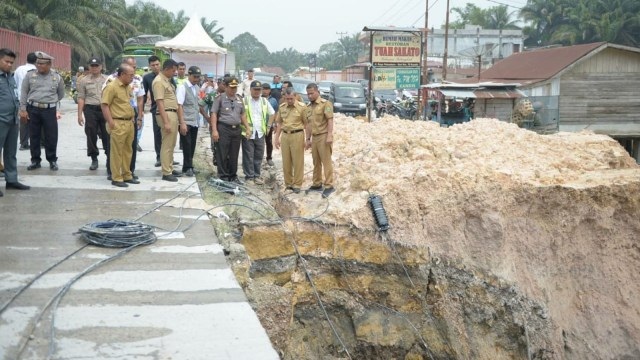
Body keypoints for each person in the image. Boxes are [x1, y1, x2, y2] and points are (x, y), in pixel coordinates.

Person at [19, 51, 65, 171]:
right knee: (34, 136)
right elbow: (24, 93)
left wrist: (50, 102)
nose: (39, 66)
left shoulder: (57, 77)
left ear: (49, 64)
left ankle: (52, 160)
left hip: (49, 110)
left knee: (51, 136)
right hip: (33, 109)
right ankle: (35, 160)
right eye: (38, 63)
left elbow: (60, 94)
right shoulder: (30, 75)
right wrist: (23, 109)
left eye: (42, 63)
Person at [103, 57, 144, 179]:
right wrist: (110, 122)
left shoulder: (128, 86)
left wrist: (136, 118)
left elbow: (134, 102)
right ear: (122, 74)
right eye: (131, 75)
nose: (133, 77)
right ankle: (116, 177)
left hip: (129, 122)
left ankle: (127, 174)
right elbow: (104, 105)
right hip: (117, 122)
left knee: (128, 151)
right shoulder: (111, 86)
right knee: (116, 152)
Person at [0, 48, 30, 196]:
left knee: (11, 152)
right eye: (6, 62)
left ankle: (11, 180)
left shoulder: (10, 76)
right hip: (0, 120)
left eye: (12, 62)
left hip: (12, 120)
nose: (9, 65)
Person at [210, 76, 251, 183]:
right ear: (226, 87)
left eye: (235, 87)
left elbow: (242, 115)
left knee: (234, 154)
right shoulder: (220, 98)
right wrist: (214, 130)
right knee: (222, 153)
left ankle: (233, 175)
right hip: (223, 128)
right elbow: (213, 114)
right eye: (231, 87)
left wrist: (247, 128)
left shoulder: (239, 99)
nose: (233, 90)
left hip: (236, 130)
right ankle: (223, 176)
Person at [77, 57, 109, 173]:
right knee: (91, 133)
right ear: (89, 67)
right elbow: (81, 97)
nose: (94, 68)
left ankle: (109, 157)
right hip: (90, 109)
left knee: (107, 134)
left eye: (97, 66)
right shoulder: (83, 80)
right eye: (92, 66)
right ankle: (94, 158)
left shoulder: (108, 80)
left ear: (101, 67)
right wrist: (79, 114)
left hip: (104, 109)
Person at [273, 87, 308, 193]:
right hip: (285, 135)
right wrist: (276, 138)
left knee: (297, 161)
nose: (289, 101)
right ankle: (288, 183)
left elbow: (307, 124)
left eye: (291, 99)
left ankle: (297, 184)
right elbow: (279, 123)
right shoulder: (282, 107)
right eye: (287, 99)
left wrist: (308, 139)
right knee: (286, 161)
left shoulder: (302, 107)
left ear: (295, 96)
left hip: (297, 134)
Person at [153, 59, 182, 182]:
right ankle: (166, 172)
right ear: (167, 69)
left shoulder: (167, 81)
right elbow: (159, 102)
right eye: (173, 70)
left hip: (172, 113)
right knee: (167, 144)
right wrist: (166, 121)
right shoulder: (159, 81)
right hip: (166, 114)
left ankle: (169, 167)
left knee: (171, 143)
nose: (174, 73)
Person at [305, 83, 335, 198]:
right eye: (308, 94)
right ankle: (317, 183)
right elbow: (308, 125)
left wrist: (329, 135)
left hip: (323, 136)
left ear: (317, 92)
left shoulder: (325, 104)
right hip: (314, 137)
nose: (310, 96)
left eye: (312, 93)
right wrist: (307, 139)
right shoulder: (308, 107)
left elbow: (330, 120)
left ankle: (329, 185)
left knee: (326, 161)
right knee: (315, 161)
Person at [242, 80, 274, 184]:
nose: (257, 92)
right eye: (255, 89)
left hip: (260, 132)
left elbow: (272, 113)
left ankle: (256, 175)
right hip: (248, 133)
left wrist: (269, 126)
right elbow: (240, 115)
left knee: (258, 155)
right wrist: (246, 127)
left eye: (259, 90)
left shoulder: (264, 101)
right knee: (248, 154)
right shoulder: (244, 101)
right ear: (250, 90)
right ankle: (249, 176)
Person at [177, 66, 204, 177]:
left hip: (195, 121)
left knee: (192, 145)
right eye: (194, 76)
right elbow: (179, 105)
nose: (196, 79)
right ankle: (187, 167)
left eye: (198, 77)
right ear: (189, 75)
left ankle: (189, 166)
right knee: (186, 145)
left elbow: (199, 104)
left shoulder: (197, 88)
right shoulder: (182, 87)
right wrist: (182, 122)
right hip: (186, 121)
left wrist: (206, 117)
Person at [142, 55, 162, 167]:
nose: (155, 67)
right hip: (156, 109)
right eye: (153, 65)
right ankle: (159, 156)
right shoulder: (147, 78)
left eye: (157, 64)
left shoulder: (167, 75)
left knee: (169, 135)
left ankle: (168, 157)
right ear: (150, 66)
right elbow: (143, 95)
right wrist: (141, 111)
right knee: (158, 134)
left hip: (168, 109)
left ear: (160, 64)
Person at [14, 52, 36, 151]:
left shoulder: (19, 69)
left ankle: (23, 144)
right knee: (36, 122)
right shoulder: (36, 70)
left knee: (23, 122)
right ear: (36, 61)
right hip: (34, 100)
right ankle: (38, 143)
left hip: (21, 99)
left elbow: (14, 83)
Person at [262, 83, 278, 167]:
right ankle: (259, 158)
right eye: (263, 89)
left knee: (269, 142)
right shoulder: (258, 99)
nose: (265, 91)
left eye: (266, 89)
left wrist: (275, 124)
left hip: (269, 125)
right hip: (259, 125)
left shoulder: (273, 100)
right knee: (259, 143)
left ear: (269, 91)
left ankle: (269, 158)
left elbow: (275, 113)